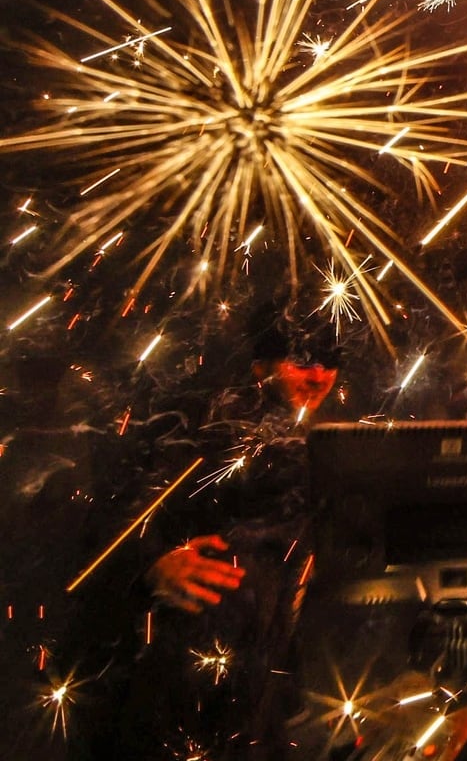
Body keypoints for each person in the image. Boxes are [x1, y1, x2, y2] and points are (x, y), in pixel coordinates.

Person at [76, 306, 344, 760]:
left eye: (329, 363)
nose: (319, 377)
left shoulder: (328, 434)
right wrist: (151, 564)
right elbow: (128, 505)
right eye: (302, 362)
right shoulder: (217, 421)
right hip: (199, 650)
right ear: (262, 367)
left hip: (273, 661)